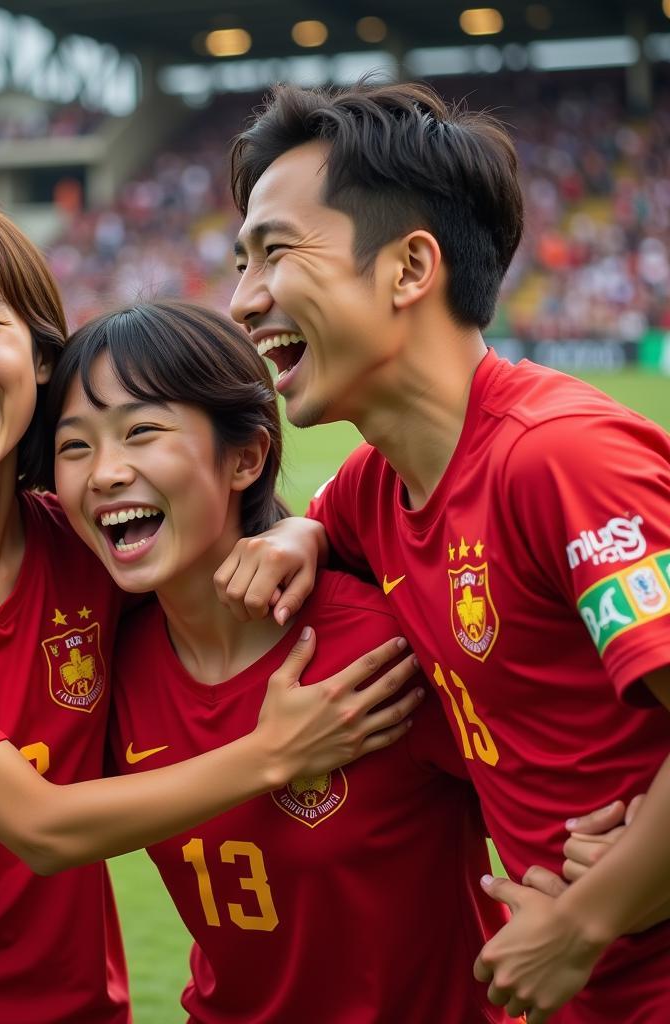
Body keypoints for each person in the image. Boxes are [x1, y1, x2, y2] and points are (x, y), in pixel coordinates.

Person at [0, 183, 422, 1022]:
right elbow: (28, 822)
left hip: (81, 1007)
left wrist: (308, 531)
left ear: (40, 355)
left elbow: (240, 527)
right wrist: (273, 753)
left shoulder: (90, 545)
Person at [219, 80, 670, 1023]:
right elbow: (337, 515)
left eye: (274, 254)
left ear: (409, 267)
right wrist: (300, 529)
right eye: (239, 262)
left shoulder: (562, 459)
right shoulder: (380, 484)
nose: (243, 300)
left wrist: (589, 917)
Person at [46, 299, 507, 1023]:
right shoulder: (104, 668)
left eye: (141, 432)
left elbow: (560, 799)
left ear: (246, 458)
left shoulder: (380, 643)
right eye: (75, 447)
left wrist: (568, 912)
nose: (104, 473)